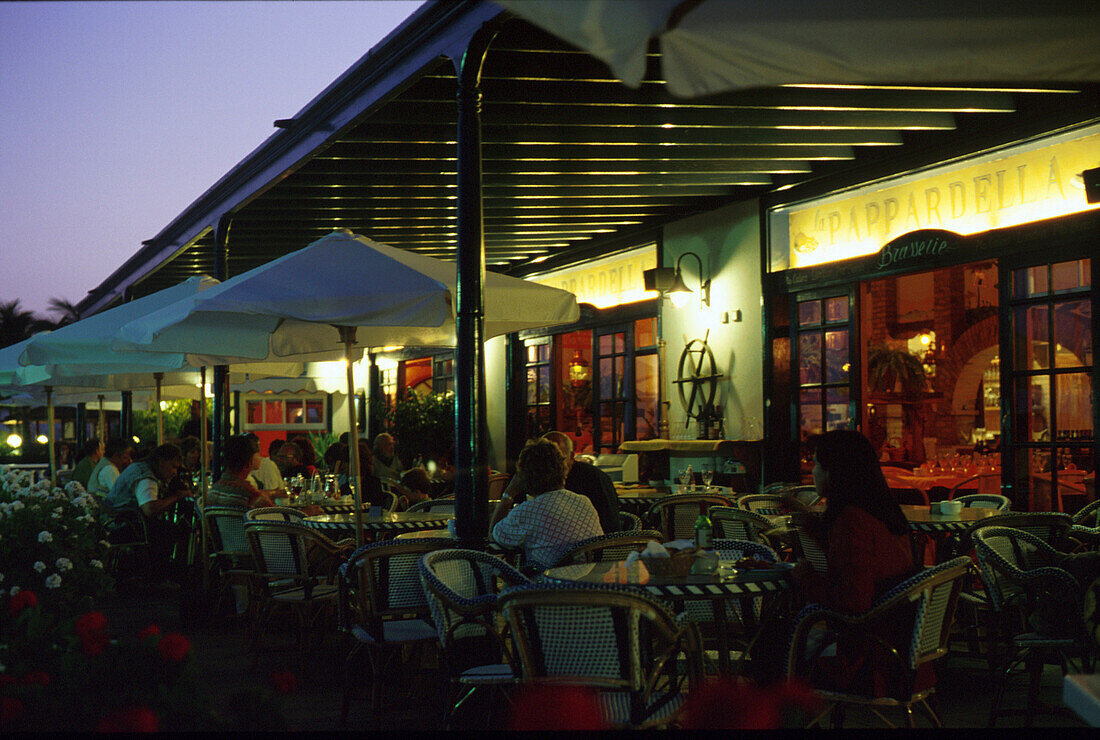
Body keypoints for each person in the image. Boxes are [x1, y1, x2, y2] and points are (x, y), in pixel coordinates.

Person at [785, 430, 921, 697]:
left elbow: (853, 602)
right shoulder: (883, 512)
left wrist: (804, 577)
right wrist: (809, 522)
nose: (812, 471)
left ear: (834, 471)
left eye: (815, 463)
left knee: (773, 641)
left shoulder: (851, 520)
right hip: (904, 653)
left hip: (867, 663)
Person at [490, 439, 603, 570]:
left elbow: (494, 535)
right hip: (585, 584)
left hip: (545, 585)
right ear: (563, 469)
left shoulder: (527, 512)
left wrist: (508, 494)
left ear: (523, 476)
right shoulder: (583, 502)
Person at [102, 443, 193, 583]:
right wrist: (176, 497)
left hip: (117, 519)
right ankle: (158, 577)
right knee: (171, 530)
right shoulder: (146, 478)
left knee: (165, 528)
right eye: (173, 466)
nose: (175, 472)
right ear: (162, 462)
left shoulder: (141, 467)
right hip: (121, 524)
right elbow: (150, 509)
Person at [208, 435, 277, 509]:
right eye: (258, 455)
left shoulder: (214, 490)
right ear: (249, 462)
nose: (260, 458)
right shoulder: (250, 495)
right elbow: (274, 515)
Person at [340, 439, 388, 508]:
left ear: (357, 463)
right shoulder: (345, 486)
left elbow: (376, 510)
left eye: (345, 462)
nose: (342, 466)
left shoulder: (373, 484)